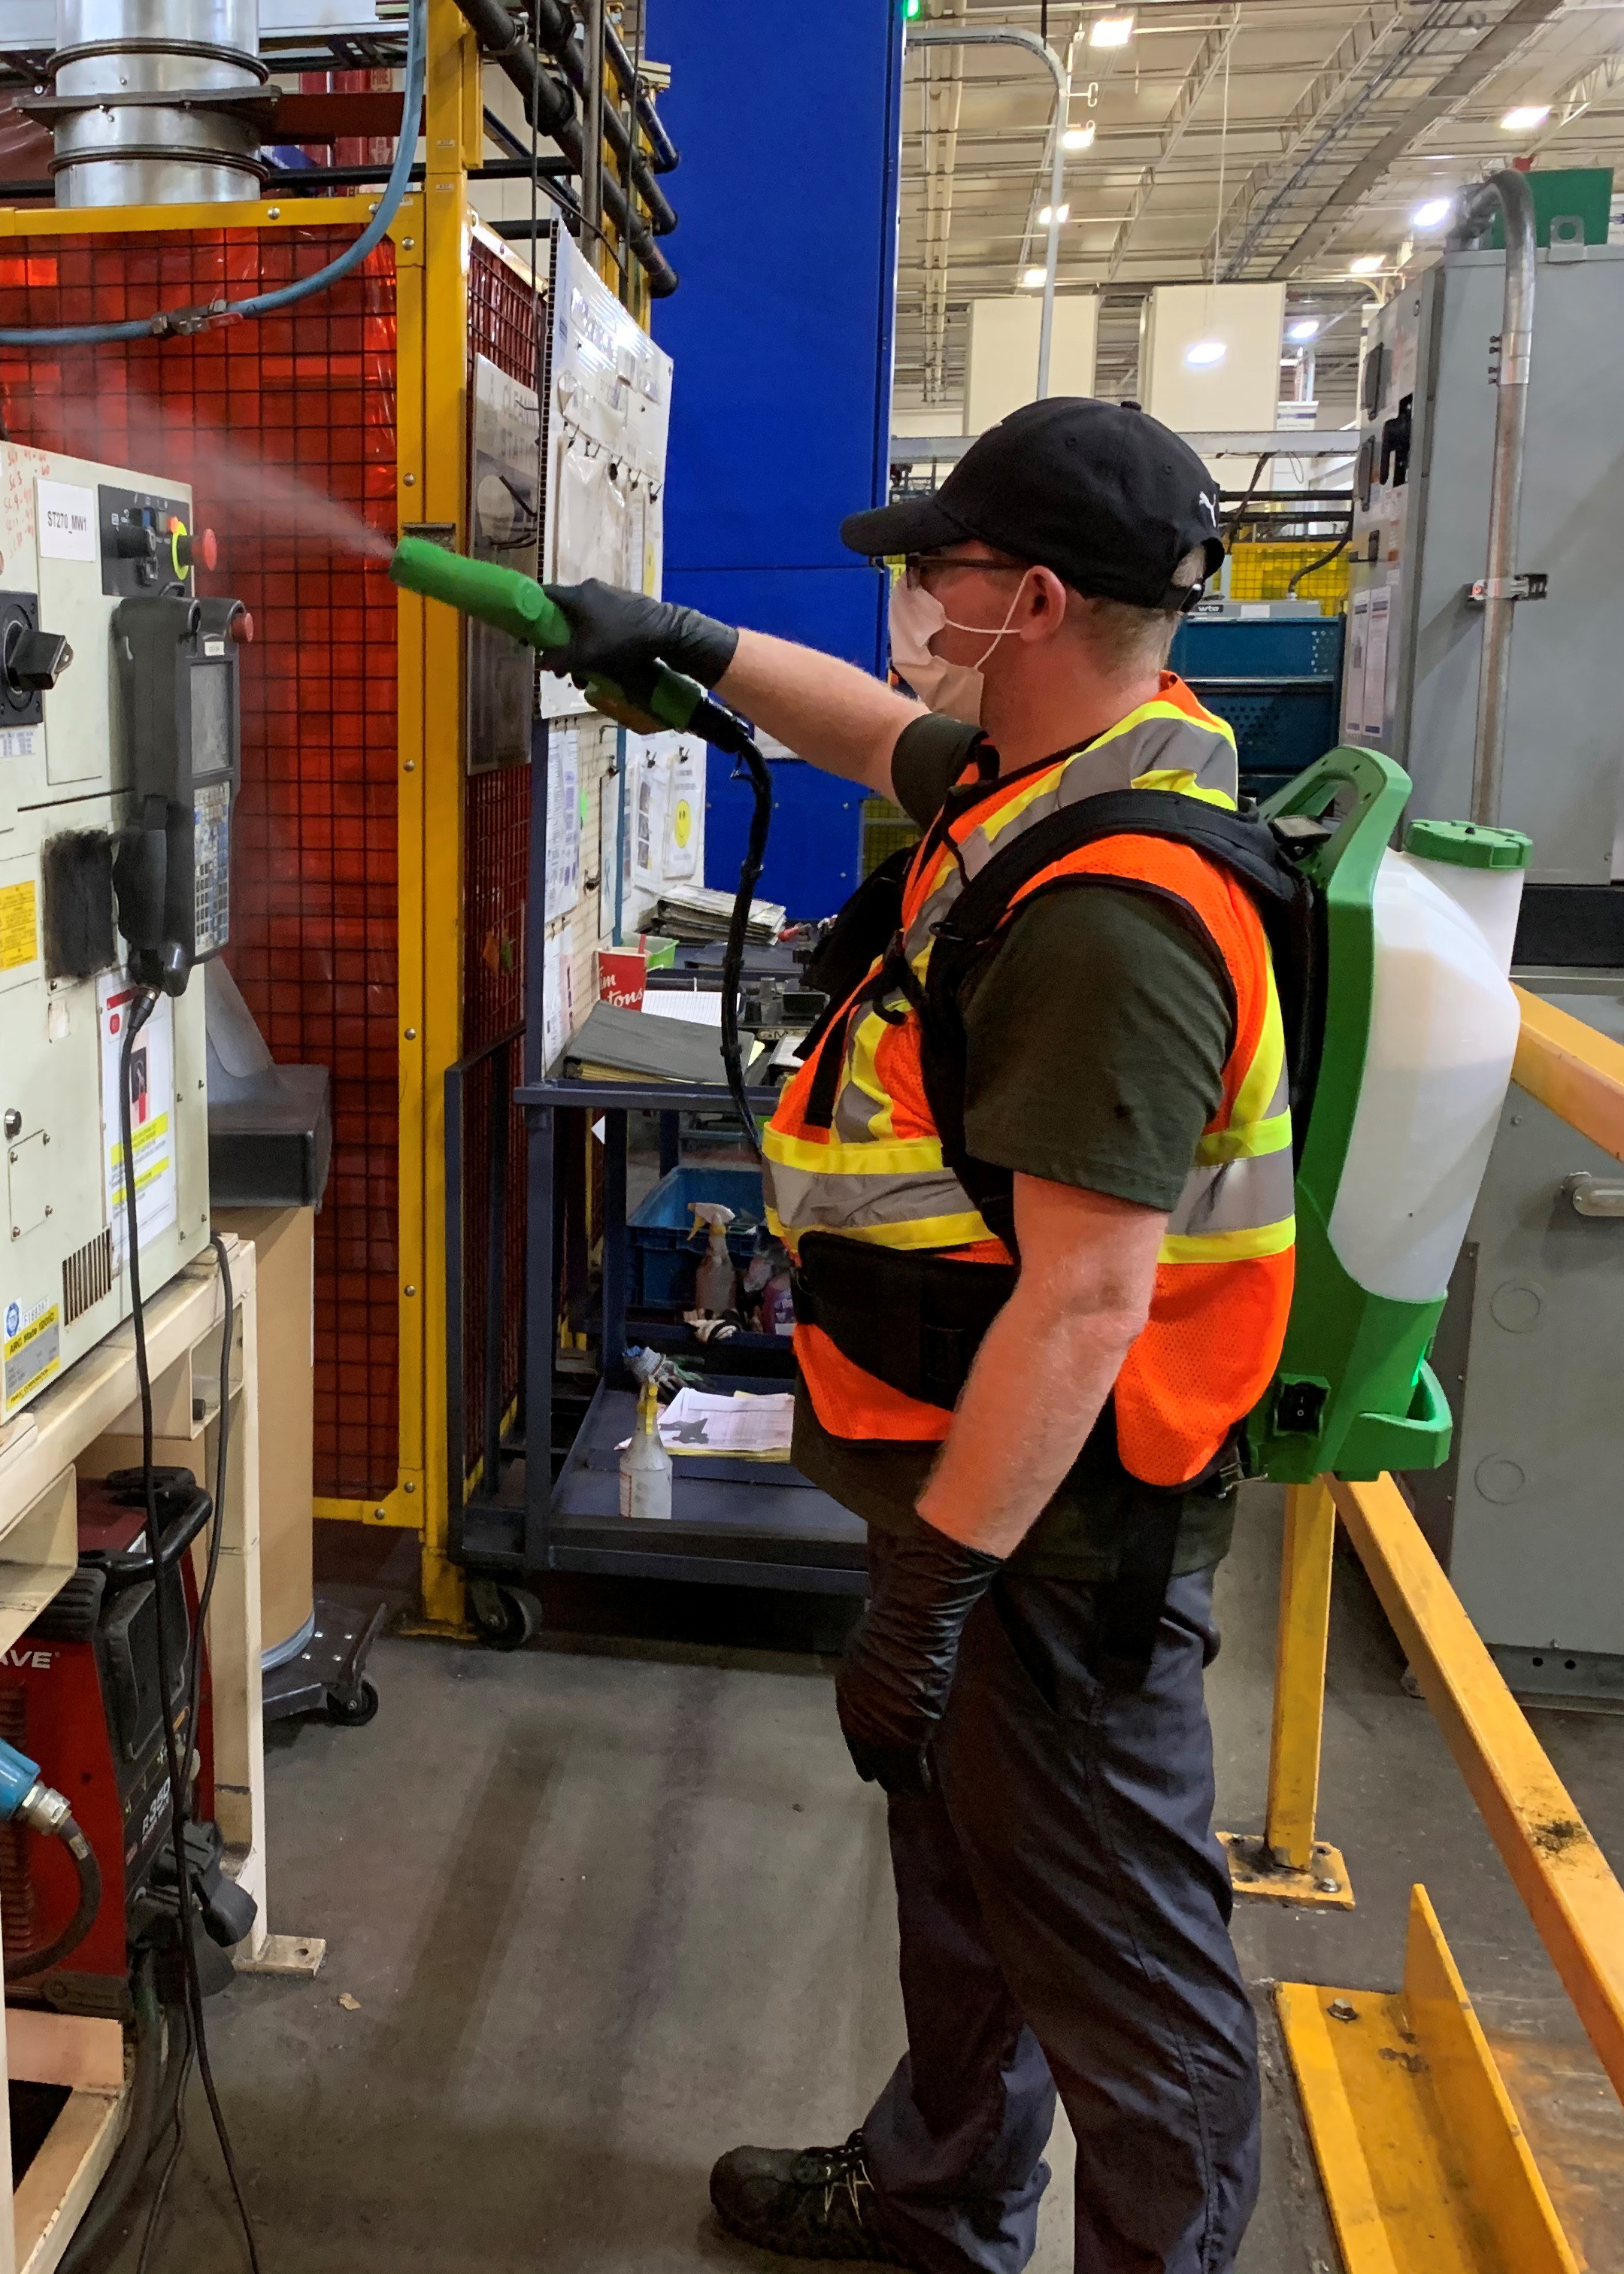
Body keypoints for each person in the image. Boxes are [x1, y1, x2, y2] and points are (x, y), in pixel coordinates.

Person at [543, 399, 1285, 2274]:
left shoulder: (1119, 905)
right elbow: (873, 730)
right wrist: (688, 643)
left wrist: (934, 1589)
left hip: (1060, 1527)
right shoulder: (1056, 771)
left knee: (1132, 1976)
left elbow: (1093, 1292)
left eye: (939, 568)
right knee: (970, 1889)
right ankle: (943, 2195)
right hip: (975, 1485)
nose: (911, 592)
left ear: (1029, 598)